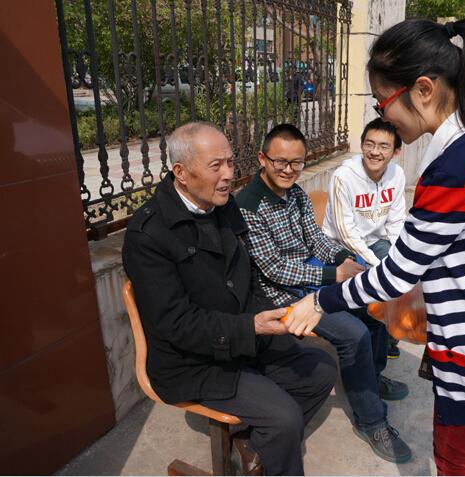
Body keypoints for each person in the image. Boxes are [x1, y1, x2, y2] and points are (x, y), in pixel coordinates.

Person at [285, 18, 465, 476]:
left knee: (457, 459)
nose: (384, 118)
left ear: (423, 89)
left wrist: (319, 300)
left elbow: (397, 274)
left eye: (383, 103)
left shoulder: (456, 167)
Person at [122, 122, 337, 476]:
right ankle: (276, 447)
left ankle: (256, 445)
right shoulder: (148, 235)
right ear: (181, 173)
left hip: (243, 335)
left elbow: (247, 275)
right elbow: (176, 325)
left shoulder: (223, 205)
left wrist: (273, 317)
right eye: (215, 166)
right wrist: (250, 327)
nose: (228, 175)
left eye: (230, 162)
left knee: (321, 370)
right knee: (284, 418)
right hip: (193, 361)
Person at [236, 124, 413, 464]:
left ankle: (371, 380)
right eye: (280, 162)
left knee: (374, 304)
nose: (288, 170)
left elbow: (316, 240)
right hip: (281, 295)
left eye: (296, 162)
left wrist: (343, 258)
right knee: (354, 334)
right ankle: (371, 421)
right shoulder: (248, 205)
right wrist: (334, 273)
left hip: (313, 277)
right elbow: (274, 270)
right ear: (262, 159)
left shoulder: (296, 193)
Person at [322, 117, 406, 359]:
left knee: (405, 276)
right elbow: (345, 232)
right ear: (361, 145)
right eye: (369, 144)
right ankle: (375, 358)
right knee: (377, 288)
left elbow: (396, 222)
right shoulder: (343, 177)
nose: (375, 152)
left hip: (376, 242)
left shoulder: (397, 174)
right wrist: (378, 265)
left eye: (383, 146)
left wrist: (400, 259)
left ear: (396, 152)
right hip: (340, 247)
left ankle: (389, 337)